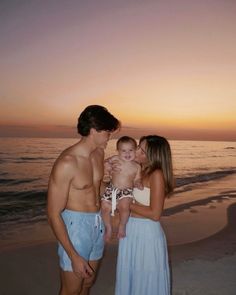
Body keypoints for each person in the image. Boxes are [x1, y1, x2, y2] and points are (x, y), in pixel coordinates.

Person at [47, 105, 120, 295]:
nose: (109, 137)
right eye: (107, 132)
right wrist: (73, 254)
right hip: (75, 227)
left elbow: (96, 188)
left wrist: (119, 193)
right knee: (71, 289)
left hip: (97, 223)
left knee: (88, 283)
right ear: (94, 130)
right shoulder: (67, 163)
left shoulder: (99, 154)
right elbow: (53, 213)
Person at [115, 135, 174, 295]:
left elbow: (155, 214)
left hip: (147, 233)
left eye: (141, 149)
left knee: (146, 276)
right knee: (131, 273)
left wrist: (127, 205)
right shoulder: (138, 171)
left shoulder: (156, 175)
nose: (136, 151)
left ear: (153, 155)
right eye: (138, 147)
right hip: (131, 229)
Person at [101, 136, 142, 241]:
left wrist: (138, 183)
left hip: (126, 191)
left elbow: (137, 178)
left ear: (136, 150)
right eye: (123, 151)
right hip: (112, 188)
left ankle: (122, 226)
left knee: (124, 208)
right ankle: (108, 228)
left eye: (130, 150)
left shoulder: (137, 166)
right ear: (118, 151)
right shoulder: (115, 158)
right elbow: (105, 162)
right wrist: (107, 166)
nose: (127, 153)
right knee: (105, 208)